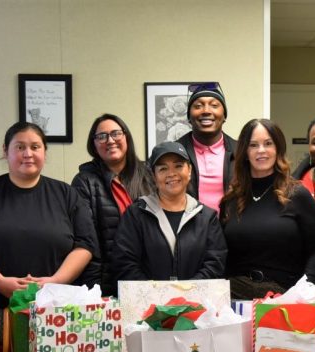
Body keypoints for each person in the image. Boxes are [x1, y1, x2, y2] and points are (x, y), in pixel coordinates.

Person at [0, 122, 98, 308]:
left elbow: (85, 245)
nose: (28, 154)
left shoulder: (66, 194)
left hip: (57, 307)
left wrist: (55, 281)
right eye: (20, 147)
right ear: (6, 151)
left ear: (44, 151)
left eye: (35, 147)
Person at [221, 118, 315, 300]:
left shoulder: (297, 194)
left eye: (268, 143)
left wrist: (305, 287)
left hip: (285, 296)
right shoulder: (231, 199)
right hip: (235, 297)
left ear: (278, 149)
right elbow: (222, 255)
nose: (261, 151)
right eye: (253, 145)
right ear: (244, 152)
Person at [111, 141, 226, 281]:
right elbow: (125, 262)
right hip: (148, 301)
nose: (171, 173)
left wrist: (186, 293)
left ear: (189, 171)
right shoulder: (136, 214)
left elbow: (215, 263)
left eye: (178, 166)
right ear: (153, 176)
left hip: (195, 300)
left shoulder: (207, 217)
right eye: (163, 169)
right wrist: (157, 294)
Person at [72, 114, 153, 296]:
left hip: (149, 279)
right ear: (93, 144)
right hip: (106, 283)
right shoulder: (84, 182)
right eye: (101, 136)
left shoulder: (148, 174)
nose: (110, 140)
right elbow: (87, 240)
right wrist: (94, 292)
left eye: (116, 133)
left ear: (126, 137)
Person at [176, 83, 236, 211]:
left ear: (224, 115)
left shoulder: (241, 151)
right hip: (188, 229)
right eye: (198, 106)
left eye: (214, 105)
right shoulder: (173, 152)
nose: (206, 111)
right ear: (189, 117)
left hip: (231, 228)